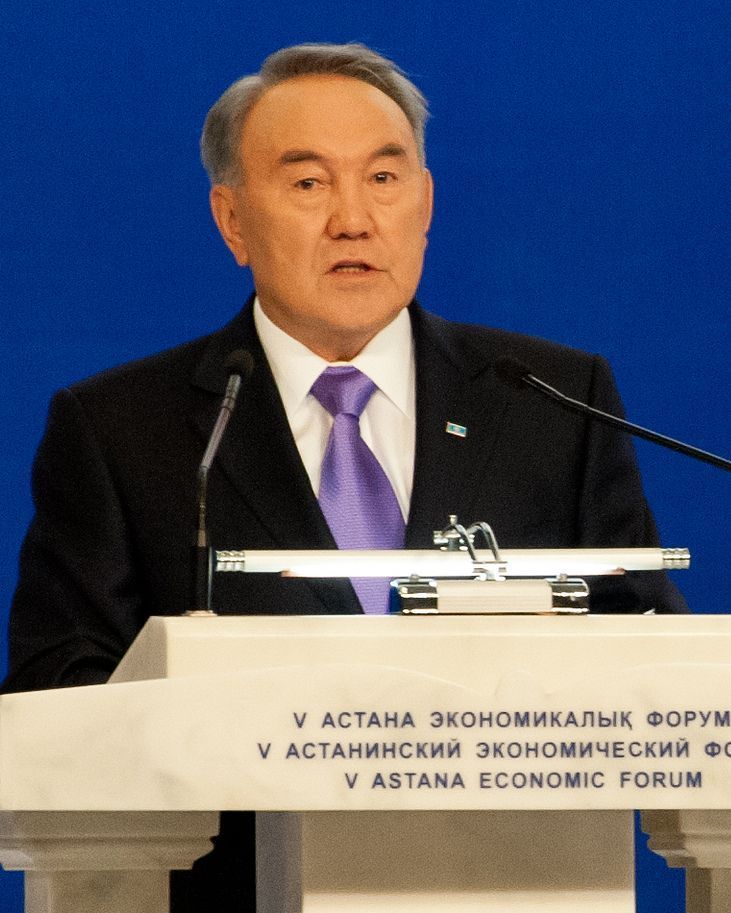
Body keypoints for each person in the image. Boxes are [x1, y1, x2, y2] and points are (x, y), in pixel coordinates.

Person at [1, 42, 686, 910]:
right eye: (308, 183)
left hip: (519, 882)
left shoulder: (551, 402)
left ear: (424, 203)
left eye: (384, 179)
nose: (353, 220)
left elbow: (654, 663)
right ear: (232, 220)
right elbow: (57, 696)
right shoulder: (119, 428)